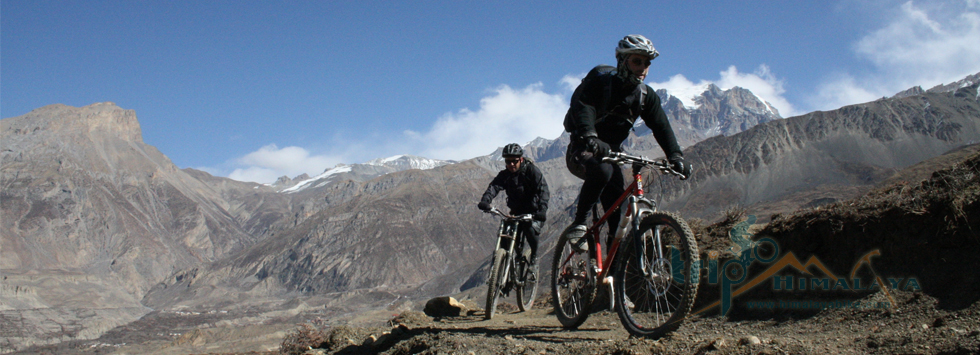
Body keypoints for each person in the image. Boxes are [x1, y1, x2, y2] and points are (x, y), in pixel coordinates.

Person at [563, 34, 692, 251]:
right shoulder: (601, 83)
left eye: (647, 63)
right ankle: (578, 224)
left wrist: (675, 156)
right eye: (637, 61)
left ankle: (613, 269)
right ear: (622, 61)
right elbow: (583, 106)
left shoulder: (645, 96)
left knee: (618, 213)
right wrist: (591, 137)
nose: (643, 68)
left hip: (612, 153)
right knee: (602, 171)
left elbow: (661, 127)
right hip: (582, 147)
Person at [478, 143, 550, 273]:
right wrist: (485, 201)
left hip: (533, 212)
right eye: (508, 161)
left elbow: (543, 190)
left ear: (521, 159)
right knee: (506, 235)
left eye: (514, 161)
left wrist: (542, 210)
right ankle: (504, 269)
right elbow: (494, 187)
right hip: (516, 211)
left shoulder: (531, 171)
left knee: (530, 230)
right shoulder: (505, 175)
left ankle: (534, 257)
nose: (511, 164)